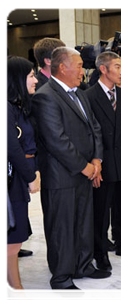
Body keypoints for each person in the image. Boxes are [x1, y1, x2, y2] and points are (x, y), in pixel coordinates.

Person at [32, 47, 109, 299]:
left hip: (85, 172)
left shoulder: (80, 94)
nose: (82, 70)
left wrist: (96, 159)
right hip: (61, 176)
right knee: (62, 228)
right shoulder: (45, 96)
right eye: (78, 65)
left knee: (83, 222)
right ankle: (62, 277)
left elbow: (94, 127)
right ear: (62, 67)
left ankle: (83, 265)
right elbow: (56, 140)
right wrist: (85, 166)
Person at [85, 51, 121, 273]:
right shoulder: (88, 97)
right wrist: (93, 164)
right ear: (104, 69)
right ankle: (99, 252)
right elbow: (88, 134)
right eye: (118, 67)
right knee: (100, 212)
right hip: (102, 164)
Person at [5, 55, 41, 300]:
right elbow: (11, 147)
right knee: (11, 243)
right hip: (12, 182)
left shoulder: (16, 106)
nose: (36, 80)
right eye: (31, 75)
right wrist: (31, 176)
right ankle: (16, 294)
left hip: (17, 178)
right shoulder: (5, 108)